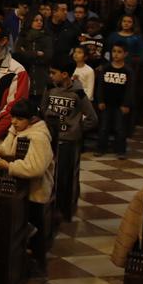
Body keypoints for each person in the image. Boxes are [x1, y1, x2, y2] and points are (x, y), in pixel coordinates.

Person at [0, 99, 55, 260]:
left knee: (35, 231)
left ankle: (38, 265)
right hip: (20, 189)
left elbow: (35, 167)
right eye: (13, 118)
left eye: (19, 119)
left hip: (34, 193)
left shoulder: (38, 137)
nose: (14, 122)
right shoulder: (18, 130)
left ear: (32, 119)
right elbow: (8, 148)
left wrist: (9, 166)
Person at [41, 57, 98, 220]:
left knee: (65, 177)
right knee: (49, 175)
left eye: (54, 73)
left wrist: (76, 130)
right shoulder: (50, 87)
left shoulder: (78, 93)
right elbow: (44, 109)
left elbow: (93, 118)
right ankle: (49, 208)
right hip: (49, 139)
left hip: (68, 142)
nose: (50, 75)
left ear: (65, 74)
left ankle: (64, 210)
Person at [95, 42, 136, 159]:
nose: (116, 54)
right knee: (103, 127)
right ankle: (101, 148)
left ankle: (120, 150)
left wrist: (126, 104)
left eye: (119, 52)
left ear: (125, 54)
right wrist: (100, 101)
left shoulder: (128, 71)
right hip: (106, 103)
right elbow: (100, 86)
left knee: (120, 128)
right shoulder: (106, 68)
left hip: (120, 105)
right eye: (114, 51)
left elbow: (130, 89)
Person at [14, 13, 53, 100]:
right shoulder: (22, 37)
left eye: (41, 20)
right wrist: (36, 54)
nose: (39, 22)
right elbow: (18, 56)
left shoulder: (47, 38)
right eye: (36, 20)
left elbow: (47, 57)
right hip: (25, 75)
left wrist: (27, 54)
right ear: (29, 22)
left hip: (42, 77)